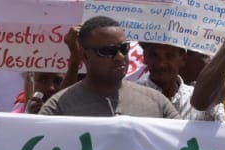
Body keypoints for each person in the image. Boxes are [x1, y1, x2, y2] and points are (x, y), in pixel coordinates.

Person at [39, 17, 177, 118]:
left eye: (124, 48)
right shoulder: (57, 108)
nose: (120, 57)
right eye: (108, 51)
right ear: (84, 56)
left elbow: (182, 144)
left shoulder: (157, 103)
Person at [133, 41, 223, 121]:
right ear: (145, 57)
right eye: (154, 55)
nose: (161, 64)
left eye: (169, 56)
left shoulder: (204, 101)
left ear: (183, 59)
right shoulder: (130, 96)